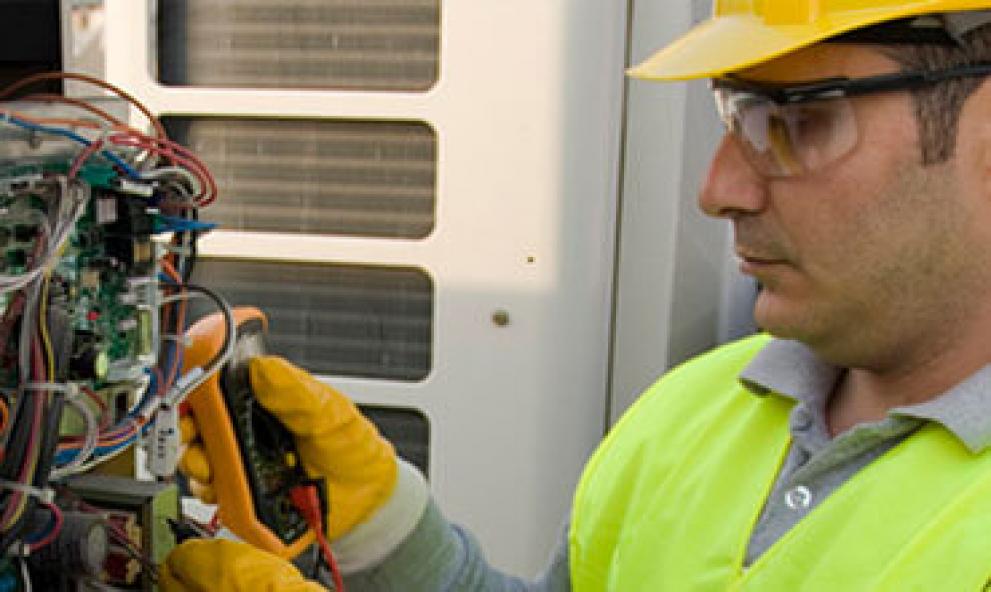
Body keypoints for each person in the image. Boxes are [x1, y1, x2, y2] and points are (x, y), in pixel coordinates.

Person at [160, 1, 991, 589]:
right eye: (733, 116)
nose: (718, 188)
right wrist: (388, 533)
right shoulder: (701, 407)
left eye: (795, 122)